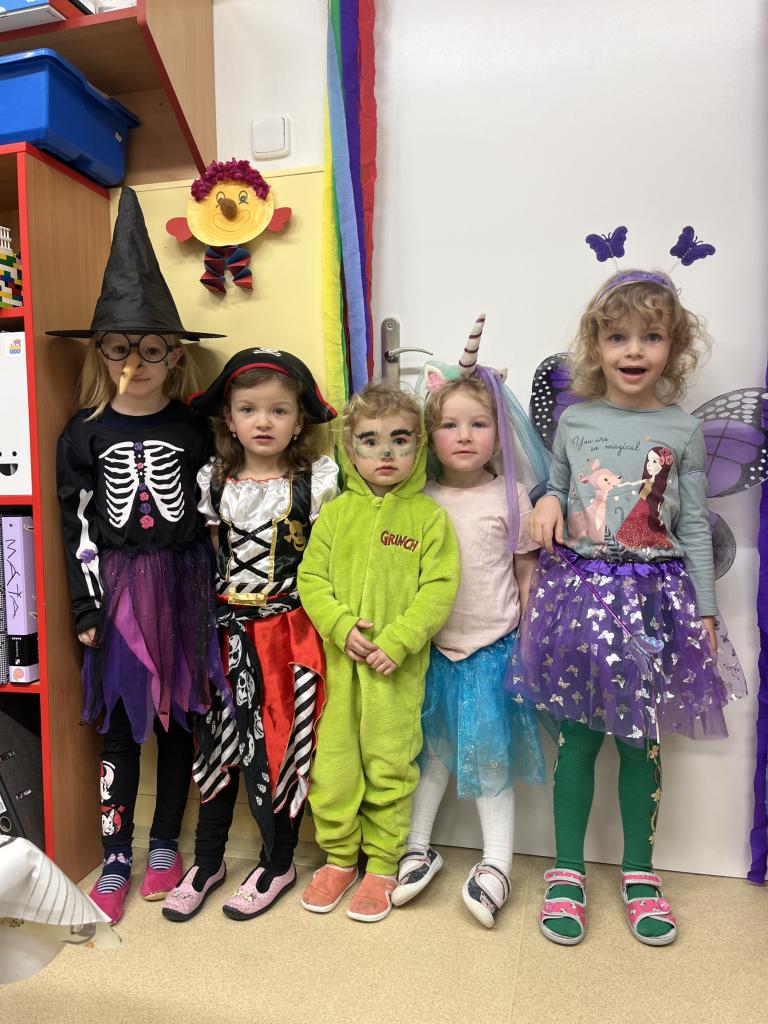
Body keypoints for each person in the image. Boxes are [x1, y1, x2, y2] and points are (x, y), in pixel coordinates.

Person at [507, 259, 747, 947]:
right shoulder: (576, 421)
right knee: (578, 739)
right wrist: (548, 500)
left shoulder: (682, 429)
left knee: (641, 742)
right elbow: (557, 486)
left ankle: (640, 872)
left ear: (674, 347)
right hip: (579, 597)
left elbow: (693, 525)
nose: (634, 351)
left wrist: (706, 610)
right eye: (618, 337)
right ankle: (567, 870)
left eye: (651, 336)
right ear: (596, 345)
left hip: (653, 604)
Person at [54, 187, 226, 924]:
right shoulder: (82, 433)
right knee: (121, 730)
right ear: (101, 352)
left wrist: (219, 596)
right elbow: (76, 526)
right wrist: (86, 607)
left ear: (174, 354)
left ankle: (164, 847)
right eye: (120, 347)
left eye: (152, 348)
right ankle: (116, 852)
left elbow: (214, 515)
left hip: (185, 590)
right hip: (119, 590)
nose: (136, 361)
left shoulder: (193, 428)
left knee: (179, 723)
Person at [162, 348, 338, 922]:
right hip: (224, 634)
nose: (264, 422)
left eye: (279, 410)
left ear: (300, 421)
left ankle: (277, 861)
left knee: (279, 744)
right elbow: (211, 557)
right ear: (230, 420)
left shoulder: (317, 480)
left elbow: (328, 560)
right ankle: (207, 859)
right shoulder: (214, 480)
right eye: (249, 409)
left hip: (288, 634)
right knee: (216, 745)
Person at [391, 316, 550, 927]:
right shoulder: (418, 500)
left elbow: (525, 570)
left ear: (499, 431)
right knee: (428, 755)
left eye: (479, 424)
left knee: (488, 758)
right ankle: (417, 847)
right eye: (449, 425)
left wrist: (529, 636)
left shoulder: (511, 496)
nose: (464, 436)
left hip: (492, 649)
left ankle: (497, 862)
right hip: (431, 650)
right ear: (429, 436)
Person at [297, 383, 460, 923]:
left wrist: (398, 641)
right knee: (333, 765)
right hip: (339, 667)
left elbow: (438, 589)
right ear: (349, 448)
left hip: (395, 672)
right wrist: (340, 626)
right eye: (370, 441)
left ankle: (384, 863)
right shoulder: (335, 514)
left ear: (419, 446)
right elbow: (311, 579)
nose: (385, 453)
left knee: (390, 763)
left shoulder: (429, 519)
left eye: (400, 440)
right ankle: (340, 857)